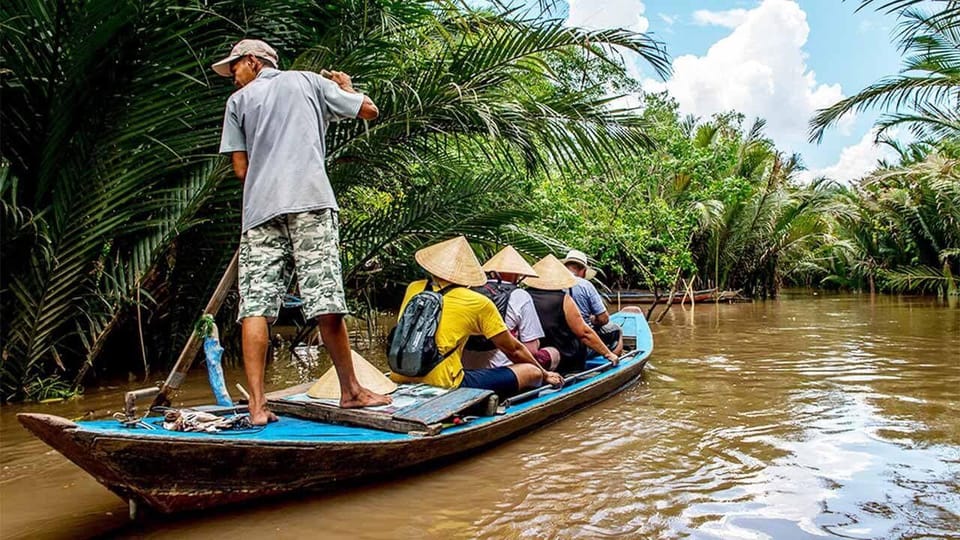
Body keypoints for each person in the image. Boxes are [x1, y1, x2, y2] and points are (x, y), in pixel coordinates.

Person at [213, 39, 390, 423]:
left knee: (255, 305)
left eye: (235, 69)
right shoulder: (308, 82)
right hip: (309, 200)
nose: (233, 78)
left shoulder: (237, 104)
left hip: (259, 210)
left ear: (253, 62)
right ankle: (351, 391)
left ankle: (258, 406)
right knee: (325, 294)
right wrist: (344, 86)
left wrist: (268, 181)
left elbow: (241, 171)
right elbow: (368, 110)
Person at [389, 237, 563, 396]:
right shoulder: (476, 302)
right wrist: (545, 374)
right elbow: (514, 350)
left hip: (400, 374)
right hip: (447, 383)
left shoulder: (414, 288)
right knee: (532, 371)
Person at [461, 246, 560, 371]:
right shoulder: (520, 295)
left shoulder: (469, 290)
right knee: (553, 352)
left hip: (465, 367)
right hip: (502, 369)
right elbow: (531, 349)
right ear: (517, 274)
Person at [526, 255, 619, 373]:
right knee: (615, 331)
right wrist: (608, 354)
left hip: (537, 350)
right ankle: (612, 368)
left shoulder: (523, 295)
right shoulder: (563, 299)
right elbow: (584, 332)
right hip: (566, 355)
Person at [561, 249, 623, 355]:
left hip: (558, 340)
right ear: (583, 271)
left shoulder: (552, 283)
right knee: (617, 329)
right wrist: (593, 320)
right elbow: (604, 319)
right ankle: (614, 361)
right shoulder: (585, 285)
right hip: (581, 343)